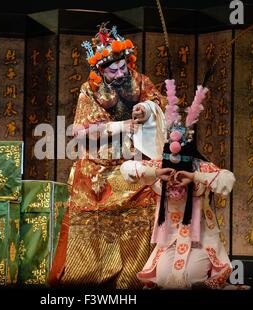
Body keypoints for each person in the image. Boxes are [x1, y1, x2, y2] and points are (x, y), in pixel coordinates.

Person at [49, 23, 168, 289]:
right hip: (98, 167)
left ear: (128, 62)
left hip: (133, 162)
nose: (118, 73)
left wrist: (146, 110)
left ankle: (137, 277)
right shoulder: (89, 90)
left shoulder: (139, 81)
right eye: (112, 70)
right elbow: (80, 131)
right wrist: (120, 126)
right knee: (93, 215)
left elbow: (160, 103)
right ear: (100, 70)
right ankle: (88, 276)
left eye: (122, 67)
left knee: (146, 202)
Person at [121, 80, 236, 289]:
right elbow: (126, 169)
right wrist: (156, 173)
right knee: (165, 280)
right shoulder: (159, 168)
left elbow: (228, 180)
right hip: (170, 240)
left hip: (199, 239)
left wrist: (194, 178)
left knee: (189, 280)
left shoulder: (199, 168)